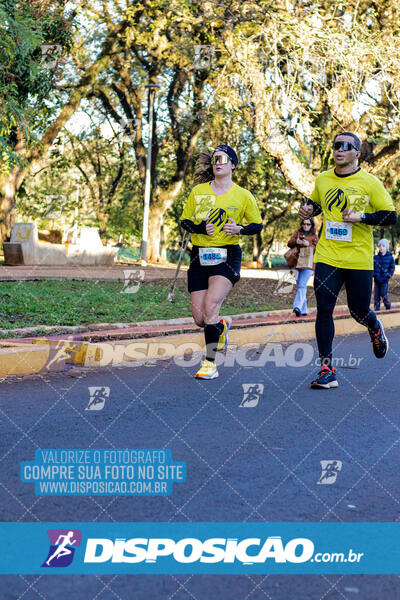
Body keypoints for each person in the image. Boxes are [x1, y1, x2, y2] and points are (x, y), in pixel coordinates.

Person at [299, 132, 397, 389]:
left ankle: (374, 325)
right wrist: (308, 209)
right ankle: (326, 369)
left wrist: (361, 218)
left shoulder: (370, 183)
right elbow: (316, 204)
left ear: (357, 153)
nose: (339, 150)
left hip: (358, 259)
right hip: (328, 255)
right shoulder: (323, 179)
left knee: (358, 310)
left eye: (346, 146)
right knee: (324, 308)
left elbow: (390, 216)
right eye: (336, 145)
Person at [180, 145, 262, 379]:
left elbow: (257, 225)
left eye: (224, 159)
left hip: (227, 255)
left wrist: (240, 228)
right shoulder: (198, 192)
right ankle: (222, 327)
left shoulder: (243, 195)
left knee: (210, 307)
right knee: (200, 319)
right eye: (215, 159)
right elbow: (184, 221)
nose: (218, 162)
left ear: (233, 165)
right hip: (200, 255)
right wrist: (199, 227)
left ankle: (210, 363)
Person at [287, 217, 319, 316]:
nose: (305, 226)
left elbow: (318, 249)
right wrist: (296, 242)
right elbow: (289, 243)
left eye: (308, 224)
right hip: (296, 264)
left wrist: (308, 244)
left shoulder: (314, 236)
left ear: (311, 225)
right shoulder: (297, 233)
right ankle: (303, 310)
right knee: (300, 286)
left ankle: (297, 307)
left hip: (309, 265)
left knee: (301, 286)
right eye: (304, 224)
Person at [373, 238, 395, 311]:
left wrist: (388, 275)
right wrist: (374, 275)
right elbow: (372, 267)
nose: (381, 247)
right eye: (380, 246)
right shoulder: (375, 258)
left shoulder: (390, 258)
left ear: (386, 247)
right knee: (376, 295)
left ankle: (387, 305)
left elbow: (392, 268)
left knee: (383, 294)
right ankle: (377, 308)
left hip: (385, 280)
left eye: (383, 246)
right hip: (377, 279)